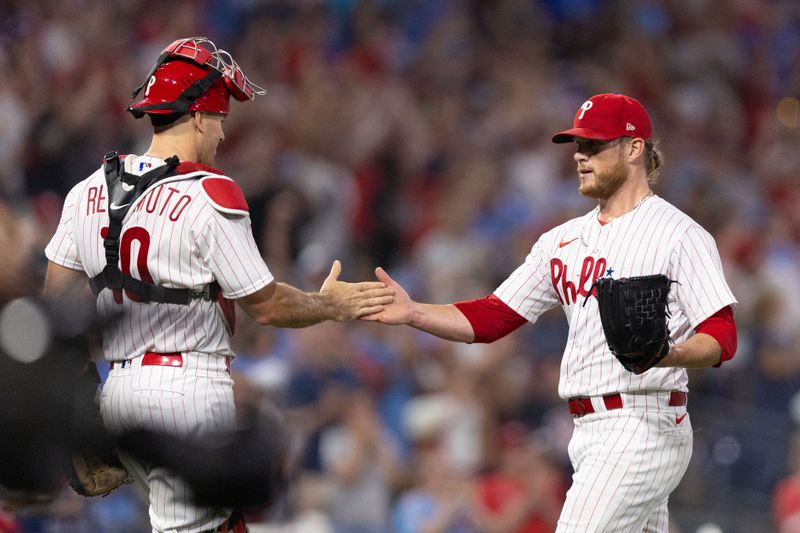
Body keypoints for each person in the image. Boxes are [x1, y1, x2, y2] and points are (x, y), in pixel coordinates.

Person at [42, 37, 393, 533]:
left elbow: (54, 308)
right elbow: (266, 306)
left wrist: (85, 395)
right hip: (186, 391)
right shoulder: (211, 192)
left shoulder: (85, 191)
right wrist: (328, 305)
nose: (224, 135)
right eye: (222, 119)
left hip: (117, 393)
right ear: (202, 117)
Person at [365, 93, 738, 532]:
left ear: (635, 148)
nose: (581, 156)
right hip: (588, 433)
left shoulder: (679, 235)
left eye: (596, 145)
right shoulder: (562, 241)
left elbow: (723, 336)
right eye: (578, 146)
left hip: (642, 425)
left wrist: (667, 354)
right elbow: (494, 316)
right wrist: (414, 313)